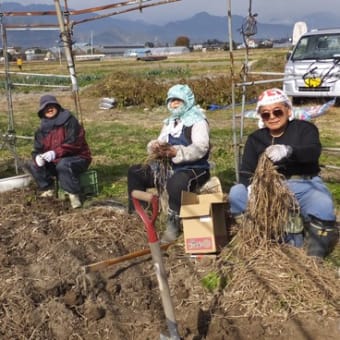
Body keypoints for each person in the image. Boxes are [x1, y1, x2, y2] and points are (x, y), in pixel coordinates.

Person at [229, 88, 339, 258]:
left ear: (288, 110)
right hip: (267, 188)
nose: (272, 117)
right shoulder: (255, 138)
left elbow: (313, 151)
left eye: (277, 111)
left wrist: (289, 151)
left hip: (304, 183)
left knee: (323, 205)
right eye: (266, 114)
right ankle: (255, 237)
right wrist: (251, 187)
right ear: (261, 117)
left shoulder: (305, 129)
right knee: (236, 193)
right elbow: (246, 170)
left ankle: (314, 255)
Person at [128, 84, 211, 242]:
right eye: (171, 100)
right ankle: (139, 217)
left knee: (176, 183)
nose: (174, 104)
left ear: (187, 101)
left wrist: (176, 152)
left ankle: (173, 224)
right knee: (135, 172)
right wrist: (155, 147)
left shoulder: (197, 120)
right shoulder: (170, 122)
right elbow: (160, 140)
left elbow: (201, 148)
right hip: (169, 167)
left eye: (178, 100)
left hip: (194, 168)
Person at [28, 94, 92, 209]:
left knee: (63, 164)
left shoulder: (70, 121)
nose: (49, 109)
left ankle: (74, 196)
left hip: (78, 157)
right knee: (33, 164)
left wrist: (55, 153)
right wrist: (37, 157)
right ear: (42, 112)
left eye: (51, 106)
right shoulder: (41, 130)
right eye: (45, 108)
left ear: (57, 106)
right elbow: (37, 149)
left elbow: (74, 143)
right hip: (55, 160)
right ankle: (48, 189)